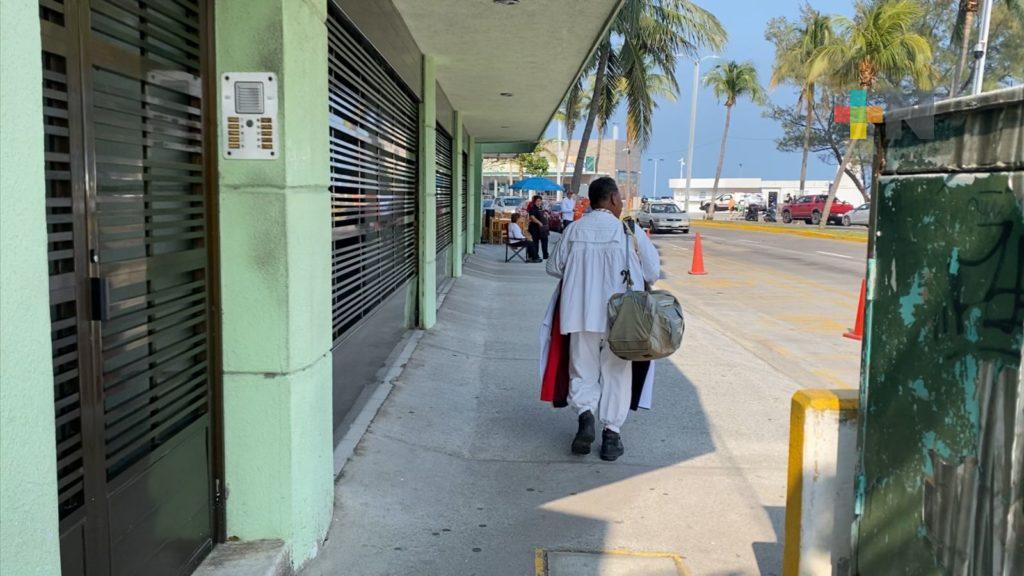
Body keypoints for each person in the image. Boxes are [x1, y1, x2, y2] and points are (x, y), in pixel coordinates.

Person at [545, 176, 660, 461]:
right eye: (619, 198)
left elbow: (553, 267)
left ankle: (585, 417)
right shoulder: (629, 231)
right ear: (611, 199)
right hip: (621, 318)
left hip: (579, 313)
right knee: (616, 373)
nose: (621, 203)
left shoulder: (574, 229)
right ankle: (611, 435)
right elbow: (652, 272)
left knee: (582, 369)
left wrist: (581, 272)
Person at [527, 195, 549, 261]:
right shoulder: (532, 208)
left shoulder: (541, 208)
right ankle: (535, 256)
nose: (539, 202)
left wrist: (546, 215)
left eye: (540, 201)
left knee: (545, 241)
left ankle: (545, 255)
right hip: (534, 228)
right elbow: (532, 217)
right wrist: (539, 222)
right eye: (537, 201)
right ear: (534, 202)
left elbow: (543, 215)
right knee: (535, 242)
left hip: (543, 228)